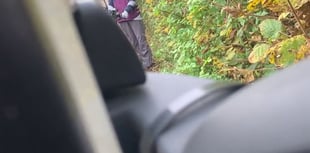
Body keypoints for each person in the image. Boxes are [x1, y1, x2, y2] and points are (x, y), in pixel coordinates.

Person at [107, 0, 153, 69]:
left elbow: (133, 1)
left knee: (141, 39)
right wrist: (112, 10)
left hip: (134, 17)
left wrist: (127, 10)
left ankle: (148, 62)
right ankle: (140, 62)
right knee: (132, 42)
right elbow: (110, 4)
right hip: (121, 20)